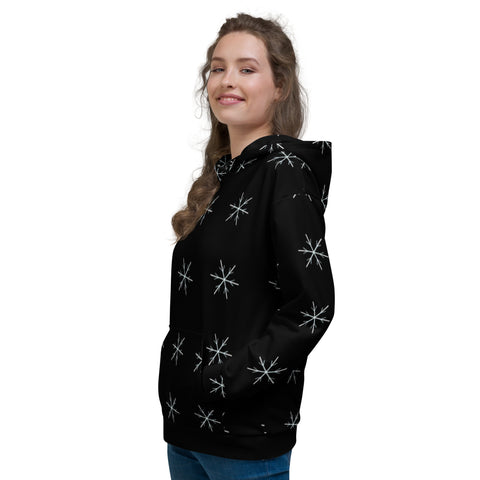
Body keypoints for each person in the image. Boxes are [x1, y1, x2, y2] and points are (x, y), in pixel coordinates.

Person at [158, 12, 335, 480]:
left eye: (247, 68)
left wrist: (228, 381)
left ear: (280, 87)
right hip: (186, 429)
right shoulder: (223, 178)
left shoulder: (285, 172)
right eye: (218, 68)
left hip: (245, 436)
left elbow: (312, 306)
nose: (227, 80)